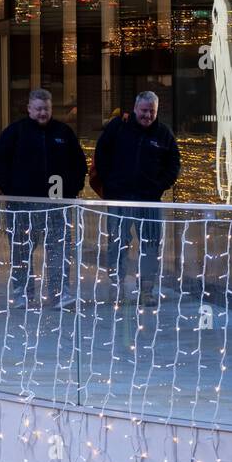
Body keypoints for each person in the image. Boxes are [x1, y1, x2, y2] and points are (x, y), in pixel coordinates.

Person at [0, 89, 88, 309]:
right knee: (21, 249)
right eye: (38, 109)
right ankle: (22, 293)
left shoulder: (64, 133)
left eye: (46, 108)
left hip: (58, 206)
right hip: (22, 206)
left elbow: (78, 164)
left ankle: (59, 294)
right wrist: (11, 190)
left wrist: (72, 190)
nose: (43, 113)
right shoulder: (15, 133)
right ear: (29, 109)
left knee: (59, 250)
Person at [94, 91, 181, 308]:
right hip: (119, 200)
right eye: (144, 110)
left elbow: (174, 164)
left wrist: (159, 186)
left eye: (152, 111)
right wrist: (110, 185)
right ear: (135, 108)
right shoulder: (118, 127)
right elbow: (101, 154)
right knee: (117, 245)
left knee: (150, 247)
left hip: (149, 201)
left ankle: (147, 291)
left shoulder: (163, 134)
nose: (147, 115)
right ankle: (117, 290)